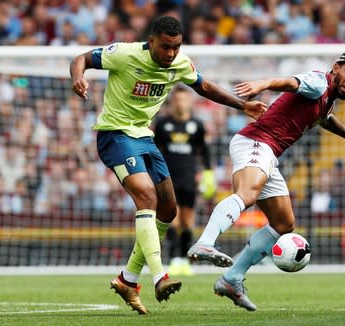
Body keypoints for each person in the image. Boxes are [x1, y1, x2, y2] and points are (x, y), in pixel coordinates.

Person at [69, 16, 266, 315]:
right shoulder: (124, 54)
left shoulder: (179, 64)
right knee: (146, 197)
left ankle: (127, 279)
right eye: (165, 47)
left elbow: (205, 87)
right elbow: (81, 58)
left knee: (168, 210)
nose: (170, 54)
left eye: (176, 47)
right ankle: (160, 275)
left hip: (145, 138)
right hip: (116, 135)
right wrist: (78, 77)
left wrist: (243, 105)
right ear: (151, 42)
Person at [187, 49, 345, 311]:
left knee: (283, 223)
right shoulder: (318, 82)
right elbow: (292, 82)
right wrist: (263, 83)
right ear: (336, 67)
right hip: (255, 142)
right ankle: (206, 243)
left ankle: (232, 278)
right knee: (247, 195)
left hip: (270, 153)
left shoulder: (327, 99)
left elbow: (325, 118)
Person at [154, 85, 216, 276]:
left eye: (184, 99)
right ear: (172, 101)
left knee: (188, 222)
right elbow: (155, 150)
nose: (181, 103)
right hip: (168, 178)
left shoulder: (196, 125)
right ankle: (174, 260)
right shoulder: (163, 124)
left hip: (189, 178)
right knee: (172, 219)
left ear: (190, 101)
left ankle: (185, 260)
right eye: (178, 99)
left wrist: (208, 173)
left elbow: (203, 151)